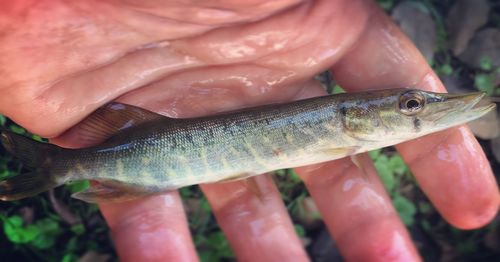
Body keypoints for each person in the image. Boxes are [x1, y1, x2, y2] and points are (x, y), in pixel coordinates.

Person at [0, 0, 498, 261]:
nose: (419, 110)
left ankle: (51, 170)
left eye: (415, 106)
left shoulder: (351, 130)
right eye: (411, 106)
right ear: (357, 119)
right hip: (143, 147)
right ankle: (53, 168)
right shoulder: (345, 130)